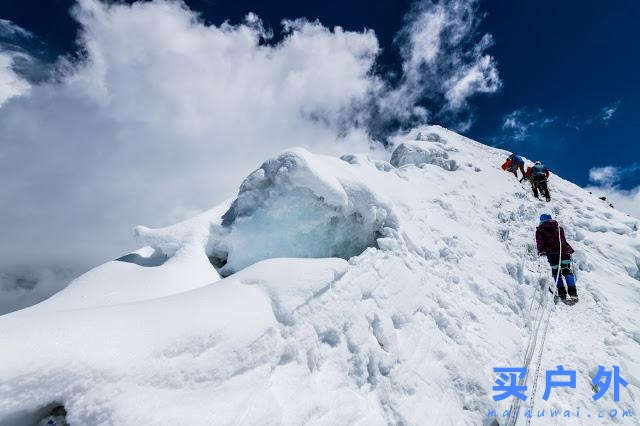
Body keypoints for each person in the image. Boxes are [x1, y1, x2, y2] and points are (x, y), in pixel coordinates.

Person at [536, 213, 578, 304]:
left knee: (556, 272)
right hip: (564, 252)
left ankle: (562, 292)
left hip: (552, 254)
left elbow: (540, 242)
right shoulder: (559, 228)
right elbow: (562, 241)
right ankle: (573, 292)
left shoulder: (540, 230)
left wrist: (541, 251)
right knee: (567, 270)